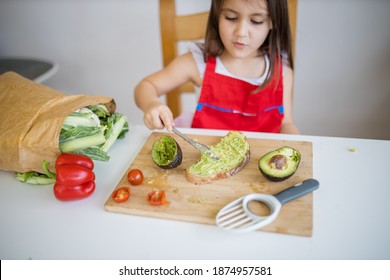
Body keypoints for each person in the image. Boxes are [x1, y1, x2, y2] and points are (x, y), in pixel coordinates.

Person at [134, 0, 299, 134]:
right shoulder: (198, 62)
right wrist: (152, 104)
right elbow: (146, 86)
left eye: (256, 21)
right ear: (217, 16)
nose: (241, 32)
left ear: (273, 22)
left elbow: (286, 123)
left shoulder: (282, 71)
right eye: (231, 17)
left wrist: (297, 143)